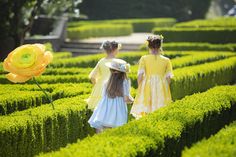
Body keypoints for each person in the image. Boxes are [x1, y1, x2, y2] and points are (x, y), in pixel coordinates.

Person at [130, 35, 173, 119]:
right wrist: (166, 87)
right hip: (161, 85)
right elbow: (169, 78)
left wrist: (140, 87)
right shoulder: (166, 60)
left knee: (147, 107)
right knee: (160, 107)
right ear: (160, 46)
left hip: (147, 84)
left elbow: (140, 75)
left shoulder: (144, 58)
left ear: (149, 46)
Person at [88, 59, 134, 133]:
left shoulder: (106, 83)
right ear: (123, 73)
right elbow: (126, 98)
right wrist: (133, 101)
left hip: (105, 110)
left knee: (104, 132)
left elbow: (103, 97)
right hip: (118, 110)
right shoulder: (125, 82)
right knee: (116, 132)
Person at [87, 41, 121, 108]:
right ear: (114, 50)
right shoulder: (117, 62)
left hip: (101, 87)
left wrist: (96, 86)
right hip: (113, 86)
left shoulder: (101, 61)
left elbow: (92, 77)